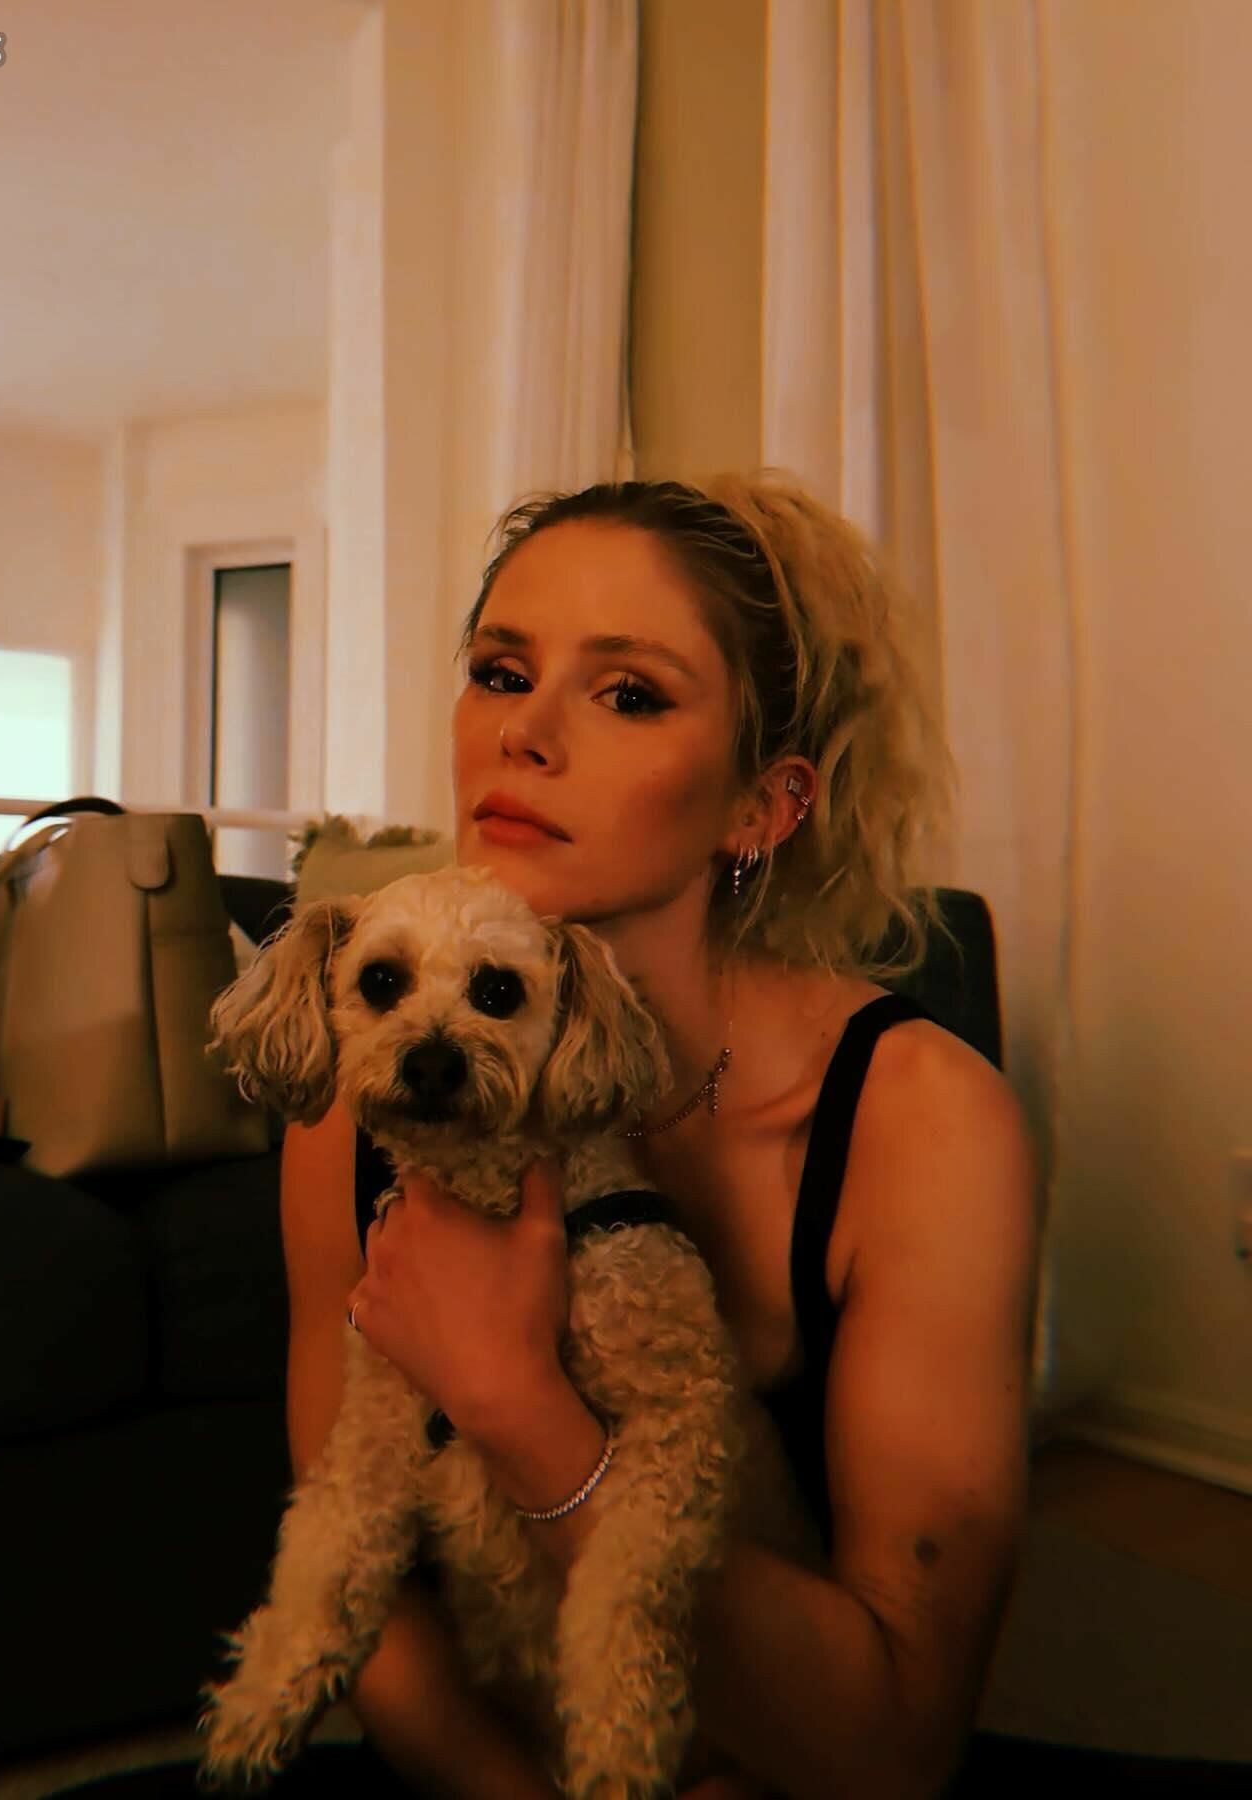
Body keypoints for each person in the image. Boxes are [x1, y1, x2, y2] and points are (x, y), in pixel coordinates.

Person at [277, 474, 1041, 1800]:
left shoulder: (921, 1119)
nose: (524, 734)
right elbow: (370, 1615)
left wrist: (519, 1407)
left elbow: (897, 1744)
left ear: (764, 806)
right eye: (501, 672)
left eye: (628, 694)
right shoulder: (366, 1093)